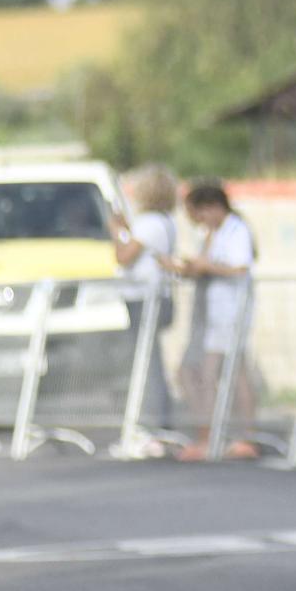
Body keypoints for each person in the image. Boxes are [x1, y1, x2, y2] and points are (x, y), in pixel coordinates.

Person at [169, 179, 258, 462]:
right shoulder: (213, 234)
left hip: (230, 313)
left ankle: (228, 436)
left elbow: (240, 268)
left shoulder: (236, 230)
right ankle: (222, 434)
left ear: (212, 207)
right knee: (219, 374)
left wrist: (207, 266)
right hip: (214, 315)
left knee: (219, 375)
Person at [110, 165, 179, 445]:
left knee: (147, 364)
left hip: (147, 300)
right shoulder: (160, 221)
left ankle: (153, 427)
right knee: (149, 361)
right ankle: (155, 424)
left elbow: (124, 256)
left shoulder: (150, 222)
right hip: (151, 298)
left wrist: (117, 233)